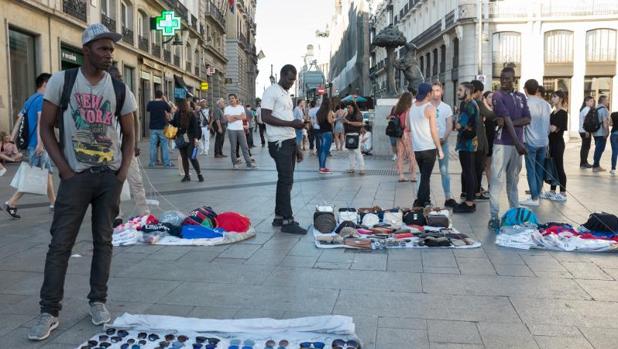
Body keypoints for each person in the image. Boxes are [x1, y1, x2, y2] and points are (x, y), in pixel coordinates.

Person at [29, 24, 136, 341]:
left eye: (112, 50)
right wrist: (64, 170)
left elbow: (129, 136)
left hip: (108, 178)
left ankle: (98, 301)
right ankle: (49, 311)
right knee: (60, 245)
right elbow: (46, 128)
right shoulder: (63, 82)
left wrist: (121, 174)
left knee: (104, 242)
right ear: (86, 49)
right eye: (103, 49)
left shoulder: (119, 89)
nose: (110, 55)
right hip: (75, 177)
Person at [261, 64, 307, 235]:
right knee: (286, 180)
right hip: (278, 142)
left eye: (294, 80)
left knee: (285, 180)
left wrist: (296, 146)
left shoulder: (286, 94)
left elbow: (286, 118)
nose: (291, 83)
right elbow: (264, 117)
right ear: (282, 75)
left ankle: (279, 216)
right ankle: (288, 221)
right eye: (289, 79)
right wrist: (291, 124)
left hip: (288, 141)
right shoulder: (272, 91)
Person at [5, 73, 56, 219]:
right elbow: (41, 122)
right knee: (31, 177)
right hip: (38, 145)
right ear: (45, 84)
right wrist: (41, 144)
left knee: (48, 174)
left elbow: (18, 121)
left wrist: (11, 141)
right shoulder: (41, 99)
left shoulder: (30, 100)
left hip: (33, 145)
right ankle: (11, 203)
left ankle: (54, 203)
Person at [487, 67, 531, 229]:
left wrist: (508, 123)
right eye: (502, 78)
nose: (504, 81)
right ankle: (494, 216)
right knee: (496, 180)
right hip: (503, 144)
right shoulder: (498, 95)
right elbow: (505, 117)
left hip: (517, 144)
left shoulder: (520, 96)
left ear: (514, 79)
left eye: (508, 78)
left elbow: (528, 118)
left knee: (513, 181)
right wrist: (519, 143)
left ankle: (514, 214)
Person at [107, 66, 148, 226]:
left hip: (126, 145)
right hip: (108, 146)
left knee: (135, 180)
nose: (118, 79)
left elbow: (135, 119)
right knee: (112, 182)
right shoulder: (102, 92)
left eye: (118, 77)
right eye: (114, 77)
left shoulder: (126, 92)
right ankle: (116, 215)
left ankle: (144, 213)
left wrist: (135, 143)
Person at [409, 83, 444, 207]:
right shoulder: (430, 108)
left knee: (425, 176)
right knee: (425, 177)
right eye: (432, 92)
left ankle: (426, 200)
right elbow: (434, 131)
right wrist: (439, 149)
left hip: (417, 149)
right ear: (428, 93)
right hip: (428, 148)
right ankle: (419, 202)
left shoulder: (412, 107)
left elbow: (408, 127)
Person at [520, 79, 551, 207]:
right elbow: (548, 124)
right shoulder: (545, 104)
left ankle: (534, 197)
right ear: (537, 89)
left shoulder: (526, 104)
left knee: (531, 170)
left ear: (526, 89)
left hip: (531, 141)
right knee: (539, 169)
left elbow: (523, 124)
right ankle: (536, 194)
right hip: (543, 141)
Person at [453, 83, 479, 213]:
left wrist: (457, 123)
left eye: (460, 90)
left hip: (467, 143)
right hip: (467, 142)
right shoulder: (470, 103)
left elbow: (459, 125)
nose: (458, 92)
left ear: (468, 91)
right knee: (469, 171)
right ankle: (470, 200)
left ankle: (469, 203)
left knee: (468, 172)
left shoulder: (468, 104)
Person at [430, 82, 456, 207]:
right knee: (426, 171)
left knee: (444, 170)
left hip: (442, 142)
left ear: (442, 92)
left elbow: (449, 125)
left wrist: (444, 138)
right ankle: (425, 196)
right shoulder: (427, 106)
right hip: (429, 143)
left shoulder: (446, 107)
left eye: (438, 90)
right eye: (433, 90)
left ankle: (448, 196)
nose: (436, 93)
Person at [542, 90, 568, 201]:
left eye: (555, 97)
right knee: (552, 167)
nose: (552, 99)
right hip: (551, 143)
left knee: (559, 167)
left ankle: (563, 192)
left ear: (561, 98)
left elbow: (553, 129)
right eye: (552, 97)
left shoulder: (562, 113)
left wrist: (546, 126)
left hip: (558, 143)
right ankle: (552, 191)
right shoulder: (553, 112)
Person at [170, 99, 203, 182]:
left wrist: (196, 138)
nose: (177, 107)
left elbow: (195, 127)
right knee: (184, 157)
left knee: (192, 156)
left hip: (190, 137)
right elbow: (174, 123)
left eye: (178, 105)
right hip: (181, 137)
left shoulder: (191, 114)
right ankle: (187, 175)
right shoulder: (177, 114)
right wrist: (168, 120)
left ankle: (199, 174)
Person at [470, 80, 490, 200]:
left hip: (470, 142)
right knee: (478, 168)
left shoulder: (467, 103)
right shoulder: (478, 104)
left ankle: (469, 191)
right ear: (477, 92)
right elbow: (491, 114)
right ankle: (476, 192)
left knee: (470, 168)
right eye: (481, 92)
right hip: (479, 142)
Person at [225, 94, 255, 169]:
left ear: (236, 99)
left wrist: (233, 116)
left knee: (245, 147)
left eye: (232, 98)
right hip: (231, 130)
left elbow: (244, 117)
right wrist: (238, 117)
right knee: (233, 148)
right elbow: (229, 120)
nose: (231, 100)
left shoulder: (241, 107)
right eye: (230, 99)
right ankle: (235, 163)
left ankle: (249, 163)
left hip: (240, 129)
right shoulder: (227, 109)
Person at [393, 92, 416, 182]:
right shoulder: (409, 109)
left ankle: (401, 175)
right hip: (407, 133)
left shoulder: (397, 109)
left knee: (400, 155)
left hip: (399, 134)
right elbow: (407, 124)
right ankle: (413, 175)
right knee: (411, 155)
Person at [147, 90, 172, 167]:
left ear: (155, 95)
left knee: (153, 146)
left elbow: (148, 109)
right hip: (162, 127)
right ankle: (166, 163)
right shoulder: (163, 103)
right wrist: (165, 100)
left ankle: (152, 163)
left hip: (153, 127)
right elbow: (170, 110)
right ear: (161, 96)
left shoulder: (150, 103)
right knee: (164, 145)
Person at [344, 102, 365, 175]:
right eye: (347, 108)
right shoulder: (348, 114)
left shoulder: (358, 114)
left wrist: (349, 122)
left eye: (349, 107)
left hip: (355, 134)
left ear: (353, 107)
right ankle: (352, 168)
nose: (348, 109)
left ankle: (362, 168)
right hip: (349, 134)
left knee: (357, 151)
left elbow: (360, 123)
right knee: (350, 152)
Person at [316, 97, 335, 174]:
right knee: (325, 151)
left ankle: (321, 167)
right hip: (327, 133)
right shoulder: (329, 111)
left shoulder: (319, 112)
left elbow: (317, 123)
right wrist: (334, 119)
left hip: (320, 132)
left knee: (321, 151)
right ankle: (322, 168)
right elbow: (330, 121)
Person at [592, 95, 610, 172]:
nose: (608, 102)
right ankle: (596, 166)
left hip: (595, 132)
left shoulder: (595, 108)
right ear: (603, 101)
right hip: (601, 133)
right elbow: (605, 123)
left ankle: (596, 165)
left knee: (598, 149)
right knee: (599, 149)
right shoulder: (604, 110)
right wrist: (607, 132)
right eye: (607, 100)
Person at [483, 91, 495, 189]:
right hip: (486, 141)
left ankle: (493, 186)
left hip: (496, 141)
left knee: (492, 166)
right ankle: (490, 186)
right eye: (490, 97)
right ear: (485, 98)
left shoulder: (497, 110)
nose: (492, 99)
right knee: (487, 165)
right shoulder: (483, 111)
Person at [579, 96, 595, 169]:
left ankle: (584, 162)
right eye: (591, 101)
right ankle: (583, 163)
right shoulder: (586, 109)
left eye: (593, 101)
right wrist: (587, 131)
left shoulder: (585, 109)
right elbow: (586, 122)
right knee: (585, 147)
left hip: (583, 130)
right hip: (585, 131)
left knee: (585, 147)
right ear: (586, 102)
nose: (593, 102)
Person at [610, 111, 618, 176]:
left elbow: (610, 123)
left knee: (614, 152)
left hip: (614, 134)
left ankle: (613, 169)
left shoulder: (613, 114)